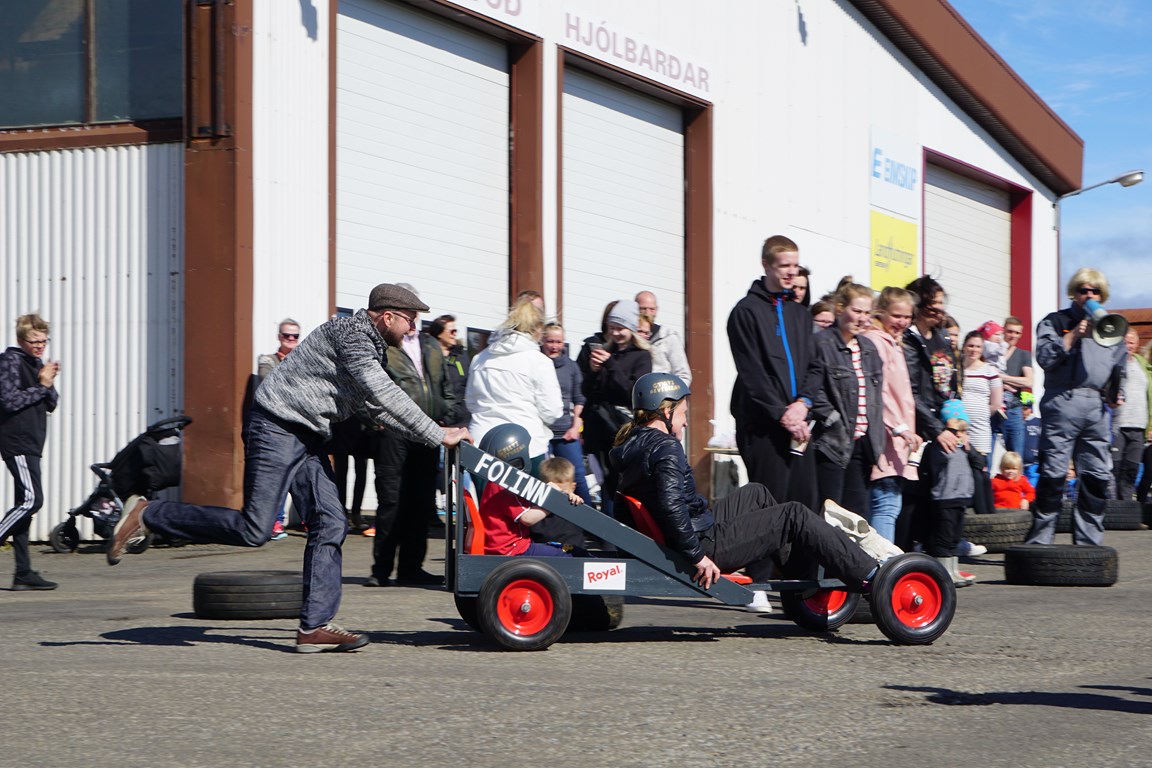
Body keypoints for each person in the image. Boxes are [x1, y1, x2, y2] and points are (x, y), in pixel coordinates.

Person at [105, 283, 472, 653]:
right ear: (388, 316)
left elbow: (376, 409)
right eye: (410, 319)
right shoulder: (351, 334)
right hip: (276, 427)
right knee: (254, 529)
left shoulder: (370, 346)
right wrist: (438, 434)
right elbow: (384, 394)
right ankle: (148, 514)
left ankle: (314, 627)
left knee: (331, 523)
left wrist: (433, 435)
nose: (413, 328)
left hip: (308, 435)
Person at [612, 372, 880, 593]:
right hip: (702, 544)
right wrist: (697, 556)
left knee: (756, 493)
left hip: (693, 530)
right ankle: (871, 575)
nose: (685, 423)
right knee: (794, 514)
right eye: (683, 414)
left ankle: (801, 575)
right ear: (666, 411)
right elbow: (671, 506)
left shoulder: (634, 444)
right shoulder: (666, 448)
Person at [1026, 267, 1127, 546]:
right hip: (1062, 400)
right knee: (1054, 472)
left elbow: (1119, 367)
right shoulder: (1055, 321)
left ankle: (1088, 542)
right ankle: (1040, 540)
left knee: (1096, 475)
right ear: (1074, 293)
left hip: (1096, 406)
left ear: (1102, 295)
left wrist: (1116, 393)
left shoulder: (1111, 326)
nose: (1089, 295)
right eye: (1083, 290)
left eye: (1095, 291)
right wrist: (1072, 336)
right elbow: (1044, 358)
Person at [366, 289, 457, 588]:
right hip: (394, 432)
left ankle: (411, 569)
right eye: (410, 317)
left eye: (416, 317)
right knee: (391, 500)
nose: (414, 324)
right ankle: (381, 570)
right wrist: (376, 421)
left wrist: (445, 413)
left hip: (427, 430)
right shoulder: (382, 345)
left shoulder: (430, 345)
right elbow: (366, 386)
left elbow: (444, 385)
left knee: (420, 501)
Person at [728, 235, 820, 510]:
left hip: (799, 425)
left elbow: (815, 367)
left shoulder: (800, 314)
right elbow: (752, 373)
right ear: (766, 265)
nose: (792, 272)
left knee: (804, 505)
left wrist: (803, 403)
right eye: (784, 266)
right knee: (770, 506)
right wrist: (782, 414)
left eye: (795, 265)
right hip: (764, 426)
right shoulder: (746, 312)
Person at [811, 282, 884, 519]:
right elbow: (813, 387)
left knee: (857, 516)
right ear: (840, 309)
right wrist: (832, 419)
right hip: (832, 441)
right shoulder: (821, 343)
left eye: (867, 312)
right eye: (857, 311)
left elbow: (875, 397)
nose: (863, 318)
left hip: (862, 443)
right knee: (829, 512)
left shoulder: (869, 348)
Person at [0, 314, 61, 591]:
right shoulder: (9, 361)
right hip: (18, 440)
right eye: (34, 341)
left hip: (33, 443)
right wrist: (42, 386)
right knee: (32, 500)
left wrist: (47, 380)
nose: (40, 346)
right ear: (20, 339)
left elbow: (52, 403)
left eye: (44, 341)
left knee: (24, 509)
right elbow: (9, 401)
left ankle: (23, 573)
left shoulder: (36, 363)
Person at [900, 276, 960, 552]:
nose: (940, 310)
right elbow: (910, 392)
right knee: (910, 496)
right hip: (916, 427)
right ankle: (903, 553)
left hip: (940, 426)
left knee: (932, 494)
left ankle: (932, 552)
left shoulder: (942, 338)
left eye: (942, 304)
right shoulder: (908, 339)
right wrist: (937, 429)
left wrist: (957, 424)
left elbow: (949, 386)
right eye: (934, 305)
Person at [579, 299, 654, 519]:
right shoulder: (605, 350)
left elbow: (632, 393)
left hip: (622, 429)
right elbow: (587, 391)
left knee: (621, 483)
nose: (615, 333)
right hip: (599, 429)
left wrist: (611, 365)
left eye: (620, 328)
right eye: (612, 328)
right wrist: (593, 371)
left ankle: (623, 529)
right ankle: (606, 531)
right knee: (604, 482)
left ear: (632, 327)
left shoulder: (641, 356)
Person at [862, 287, 923, 544]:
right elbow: (879, 392)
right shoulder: (877, 342)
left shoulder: (893, 343)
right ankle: (882, 564)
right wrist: (899, 427)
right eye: (896, 316)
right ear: (881, 312)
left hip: (897, 439)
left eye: (907, 317)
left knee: (890, 504)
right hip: (886, 437)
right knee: (885, 504)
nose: (902, 322)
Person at [476, 424, 585, 557]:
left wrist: (560, 494)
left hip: (506, 545)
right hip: (512, 549)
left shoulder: (497, 482)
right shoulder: (505, 486)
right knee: (569, 554)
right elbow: (528, 519)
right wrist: (553, 500)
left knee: (564, 549)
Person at [257, 318, 302, 540]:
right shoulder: (267, 360)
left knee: (304, 477)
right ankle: (275, 521)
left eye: (295, 336)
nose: (291, 339)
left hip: (300, 429)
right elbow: (268, 381)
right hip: (277, 429)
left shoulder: (304, 360)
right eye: (287, 335)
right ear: (279, 337)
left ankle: (309, 519)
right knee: (279, 477)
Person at [541, 323, 591, 505]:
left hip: (565, 431)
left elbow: (579, 398)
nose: (554, 346)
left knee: (578, 475)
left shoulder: (571, 366)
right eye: (550, 341)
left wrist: (576, 425)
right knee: (543, 477)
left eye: (558, 342)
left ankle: (588, 515)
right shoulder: (536, 363)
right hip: (542, 431)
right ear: (542, 341)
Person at [927, 399, 976, 587]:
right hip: (945, 497)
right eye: (957, 431)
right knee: (944, 538)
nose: (961, 435)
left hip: (961, 498)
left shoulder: (964, 448)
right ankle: (943, 573)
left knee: (954, 538)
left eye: (964, 431)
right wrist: (949, 434)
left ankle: (953, 570)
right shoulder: (940, 446)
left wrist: (969, 448)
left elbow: (979, 463)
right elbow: (937, 461)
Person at [960, 329, 1002, 515]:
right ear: (964, 347)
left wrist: (981, 414)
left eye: (978, 346)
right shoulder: (957, 369)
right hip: (959, 429)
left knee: (980, 471)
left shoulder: (990, 371)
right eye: (970, 345)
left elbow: (996, 403)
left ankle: (985, 514)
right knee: (962, 470)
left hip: (980, 429)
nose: (974, 350)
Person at [1112, 329, 1151, 500]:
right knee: (1115, 467)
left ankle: (1126, 507)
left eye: (1131, 343)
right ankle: (1112, 506)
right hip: (1119, 424)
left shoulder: (1142, 364)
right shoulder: (1114, 361)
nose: (1128, 346)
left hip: (1139, 424)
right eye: (1125, 342)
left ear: (1137, 345)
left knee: (1132, 469)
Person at [636, 290, 691, 384]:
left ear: (657, 310)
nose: (647, 313)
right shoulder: (627, 336)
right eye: (643, 309)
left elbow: (683, 375)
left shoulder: (668, 337)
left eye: (652, 309)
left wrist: (670, 392)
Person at [997, 316, 1034, 455]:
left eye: (1017, 332)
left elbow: (1029, 381)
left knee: (1015, 457)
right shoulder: (992, 351)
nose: (1013, 335)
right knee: (985, 458)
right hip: (993, 409)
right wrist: (1013, 382)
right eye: (1010, 331)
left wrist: (1002, 377)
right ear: (1003, 331)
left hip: (1013, 410)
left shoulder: (1023, 355)